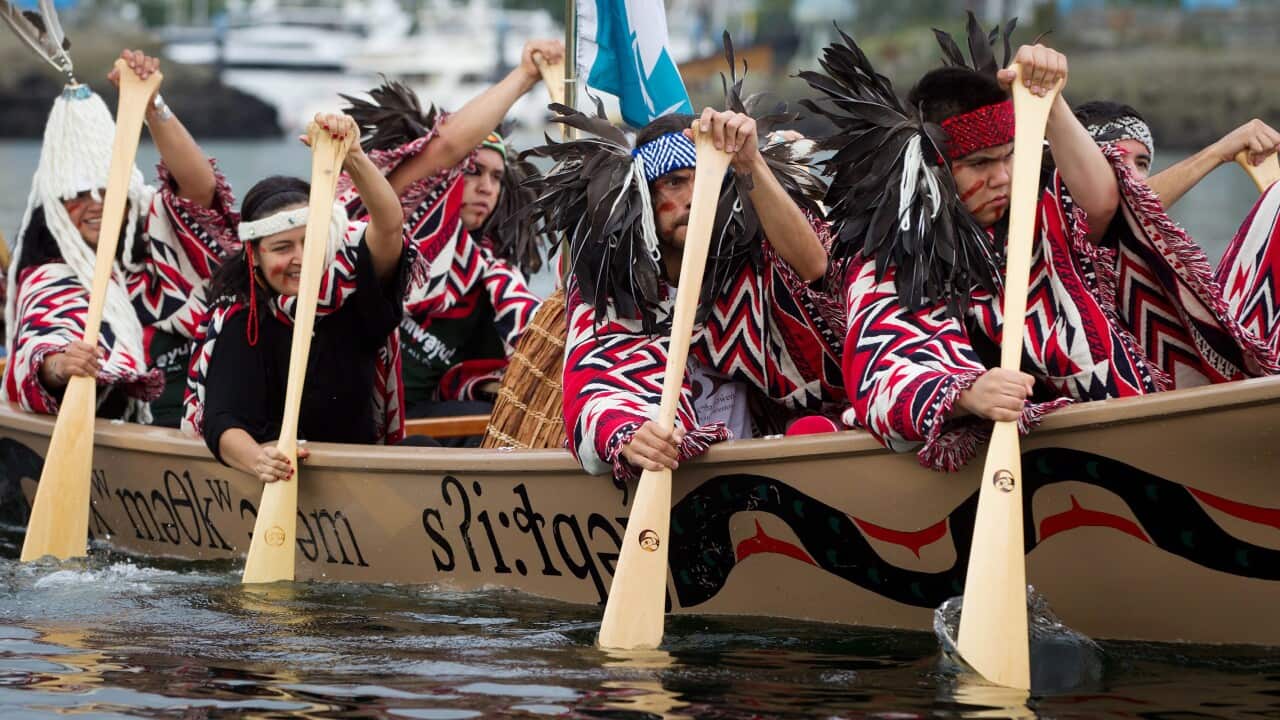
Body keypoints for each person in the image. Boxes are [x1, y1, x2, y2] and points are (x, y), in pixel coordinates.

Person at [532, 59, 846, 482]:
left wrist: (751, 163)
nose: (693, 198)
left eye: (705, 182)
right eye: (675, 183)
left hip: (760, 464)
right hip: (676, 469)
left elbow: (815, 267)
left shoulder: (749, 268)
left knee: (818, 428)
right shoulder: (613, 284)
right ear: (642, 199)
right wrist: (626, 432)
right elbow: (593, 380)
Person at [3, 50, 235, 426]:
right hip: (132, 433)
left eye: (106, 189)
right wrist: (62, 365)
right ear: (55, 212)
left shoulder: (162, 237)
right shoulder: (48, 277)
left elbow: (201, 191)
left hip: (216, 426)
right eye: (76, 195)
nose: (95, 204)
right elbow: (36, 347)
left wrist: (150, 103)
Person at [181, 113, 408, 483]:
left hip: (359, 470)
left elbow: (389, 225)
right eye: (282, 248)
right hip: (282, 472)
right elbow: (222, 420)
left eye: (309, 242)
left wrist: (352, 155)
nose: (300, 258)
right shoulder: (244, 319)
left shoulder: (354, 299)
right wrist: (257, 459)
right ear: (254, 255)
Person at [339, 40, 560, 422]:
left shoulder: (493, 274)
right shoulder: (398, 216)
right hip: (346, 411)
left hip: (418, 422)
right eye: (473, 171)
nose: (487, 187)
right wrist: (525, 76)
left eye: (496, 177)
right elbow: (447, 148)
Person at [1074, 101, 1280, 207]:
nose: (1134, 174)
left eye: (1142, 164)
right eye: (1114, 159)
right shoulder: (1048, 222)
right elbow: (1121, 211)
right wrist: (1219, 152)